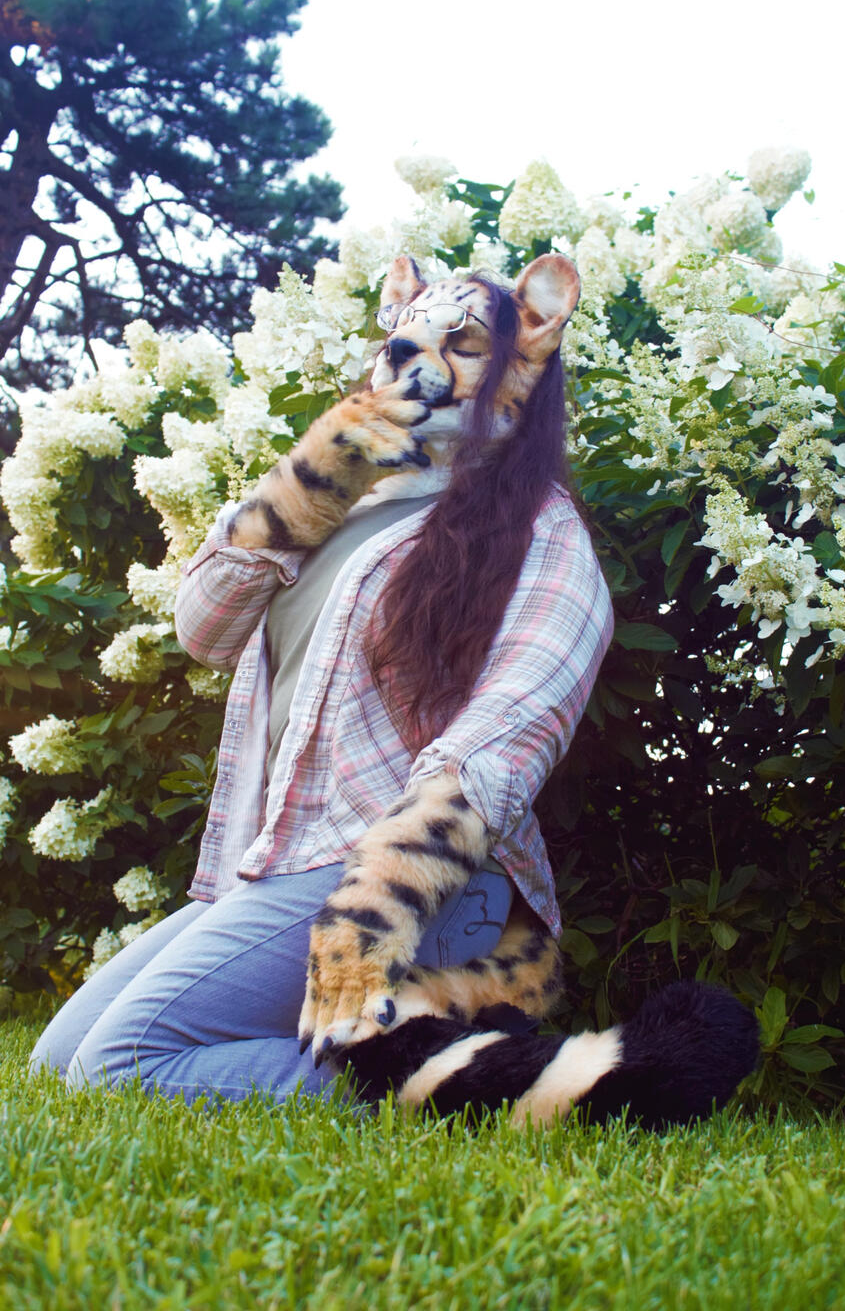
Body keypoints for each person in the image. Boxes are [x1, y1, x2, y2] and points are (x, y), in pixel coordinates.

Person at [29, 254, 614, 1104]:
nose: (417, 360)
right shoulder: (355, 505)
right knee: (59, 1063)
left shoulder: (544, 531)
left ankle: (484, 1085)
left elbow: (504, 744)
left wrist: (364, 920)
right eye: (402, 341)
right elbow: (203, 631)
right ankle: (434, 1063)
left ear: (529, 354)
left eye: (463, 343)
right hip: (284, 862)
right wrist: (316, 477)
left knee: (118, 1067)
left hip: (420, 891)